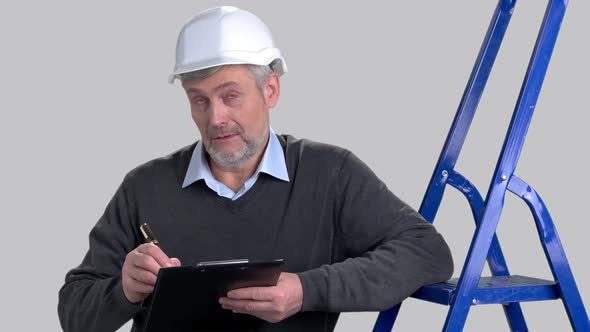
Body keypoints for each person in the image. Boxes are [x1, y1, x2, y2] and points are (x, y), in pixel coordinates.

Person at [58, 6, 453, 332]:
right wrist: (125, 290)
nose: (216, 118)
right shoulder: (144, 187)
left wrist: (305, 290)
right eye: (199, 101)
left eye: (230, 96)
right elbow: (74, 312)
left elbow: (428, 252)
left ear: (271, 90)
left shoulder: (330, 174)